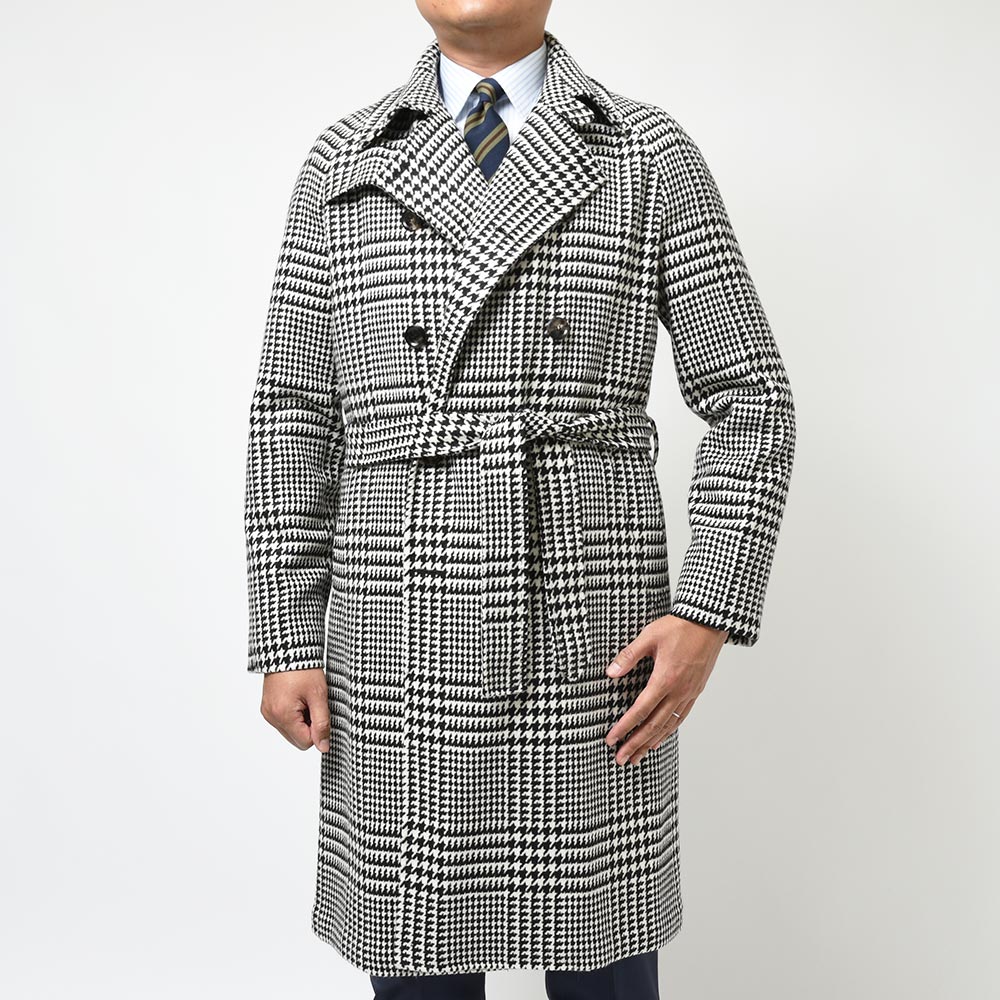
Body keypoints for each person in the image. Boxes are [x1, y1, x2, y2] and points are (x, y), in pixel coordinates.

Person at [243, 3, 796, 998]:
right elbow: (293, 412)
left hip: (588, 617)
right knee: (418, 959)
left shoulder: (644, 149)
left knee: (601, 957)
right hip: (401, 621)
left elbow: (749, 394)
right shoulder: (344, 158)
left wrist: (709, 608)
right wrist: (286, 633)